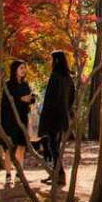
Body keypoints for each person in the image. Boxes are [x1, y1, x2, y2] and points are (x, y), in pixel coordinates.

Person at [38, 51, 76, 186]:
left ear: (57, 61)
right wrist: (67, 110)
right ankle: (56, 174)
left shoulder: (55, 77)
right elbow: (72, 98)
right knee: (55, 146)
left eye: (52, 59)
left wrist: (44, 117)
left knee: (53, 147)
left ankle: (60, 175)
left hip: (53, 116)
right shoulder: (68, 78)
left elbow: (49, 98)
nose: (51, 62)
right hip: (63, 116)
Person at [0, 60, 36, 187]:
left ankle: (19, 174)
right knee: (9, 148)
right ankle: (8, 174)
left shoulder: (26, 85)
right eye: (21, 68)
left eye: (24, 68)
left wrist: (31, 99)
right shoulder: (8, 85)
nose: (23, 70)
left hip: (23, 119)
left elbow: (30, 99)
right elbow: (4, 104)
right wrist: (19, 99)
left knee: (21, 147)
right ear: (15, 69)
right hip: (10, 120)